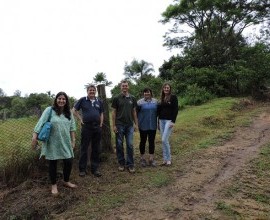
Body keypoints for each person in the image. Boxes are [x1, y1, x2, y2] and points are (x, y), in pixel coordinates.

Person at [31, 91, 77, 195]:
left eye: (64, 99)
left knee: (68, 161)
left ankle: (66, 181)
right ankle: (54, 185)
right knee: (53, 163)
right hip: (52, 142)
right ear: (56, 100)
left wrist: (73, 140)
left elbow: (72, 127)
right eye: (59, 98)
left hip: (65, 142)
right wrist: (34, 138)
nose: (61, 100)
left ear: (66, 101)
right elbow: (40, 123)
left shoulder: (69, 112)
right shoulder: (49, 110)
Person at [73, 85, 104, 177]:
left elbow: (101, 113)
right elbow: (74, 110)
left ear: (95, 91)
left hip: (97, 127)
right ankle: (82, 169)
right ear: (87, 91)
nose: (92, 91)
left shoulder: (99, 101)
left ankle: (95, 169)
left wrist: (101, 123)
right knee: (84, 148)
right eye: (90, 90)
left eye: (93, 90)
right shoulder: (82, 100)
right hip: (86, 127)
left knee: (96, 148)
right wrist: (80, 119)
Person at [111, 80, 138, 173]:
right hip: (119, 125)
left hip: (130, 125)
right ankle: (121, 163)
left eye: (126, 86)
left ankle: (130, 164)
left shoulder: (132, 98)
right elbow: (113, 112)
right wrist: (113, 125)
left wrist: (136, 124)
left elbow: (134, 112)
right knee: (119, 145)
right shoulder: (116, 98)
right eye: (123, 86)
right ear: (120, 87)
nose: (125, 87)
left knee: (130, 144)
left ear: (128, 87)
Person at [157, 82, 179, 166]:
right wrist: (158, 122)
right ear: (163, 89)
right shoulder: (162, 98)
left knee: (164, 139)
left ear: (170, 89)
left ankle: (169, 159)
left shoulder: (173, 97)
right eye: (165, 88)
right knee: (163, 140)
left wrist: (173, 121)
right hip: (161, 120)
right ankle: (165, 159)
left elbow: (176, 109)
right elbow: (159, 112)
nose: (166, 89)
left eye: (167, 88)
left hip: (169, 121)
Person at [137, 88, 158, 167]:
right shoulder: (139, 102)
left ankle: (151, 159)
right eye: (145, 92)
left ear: (151, 93)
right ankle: (142, 158)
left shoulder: (155, 102)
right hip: (143, 126)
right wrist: (136, 124)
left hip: (153, 125)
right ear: (143, 94)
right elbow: (135, 113)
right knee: (143, 141)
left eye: (148, 92)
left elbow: (158, 113)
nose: (146, 94)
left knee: (151, 141)